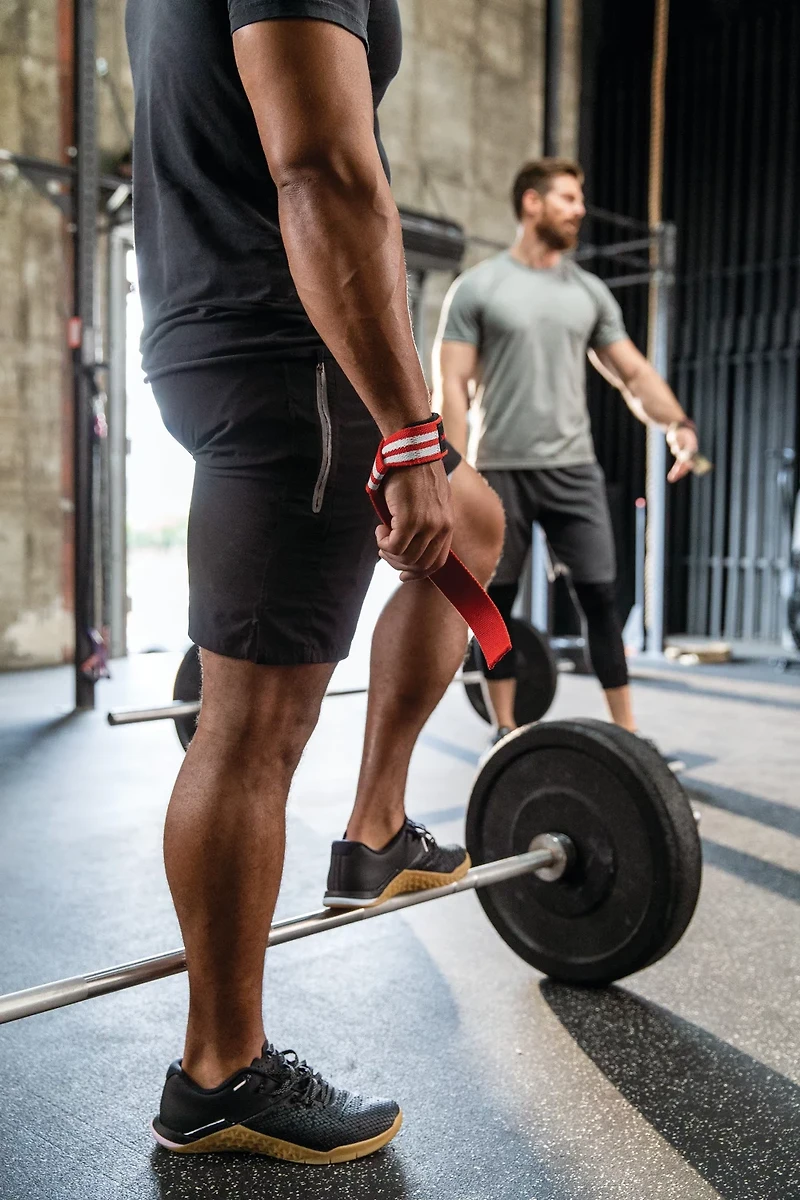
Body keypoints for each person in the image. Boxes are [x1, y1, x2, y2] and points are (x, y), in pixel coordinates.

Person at [125, 0, 505, 1166]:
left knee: (476, 525)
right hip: (292, 347)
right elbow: (325, 170)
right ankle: (219, 1071)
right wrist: (404, 433)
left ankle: (375, 826)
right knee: (250, 732)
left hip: (227, 333)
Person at [435, 157, 698, 744]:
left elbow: (632, 374)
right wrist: (451, 470)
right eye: (569, 199)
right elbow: (452, 382)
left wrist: (676, 422)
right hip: (499, 467)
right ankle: (504, 726)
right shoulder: (479, 287)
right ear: (532, 203)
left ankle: (627, 733)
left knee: (601, 597)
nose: (580, 210)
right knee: (493, 604)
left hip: (573, 468)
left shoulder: (589, 293)